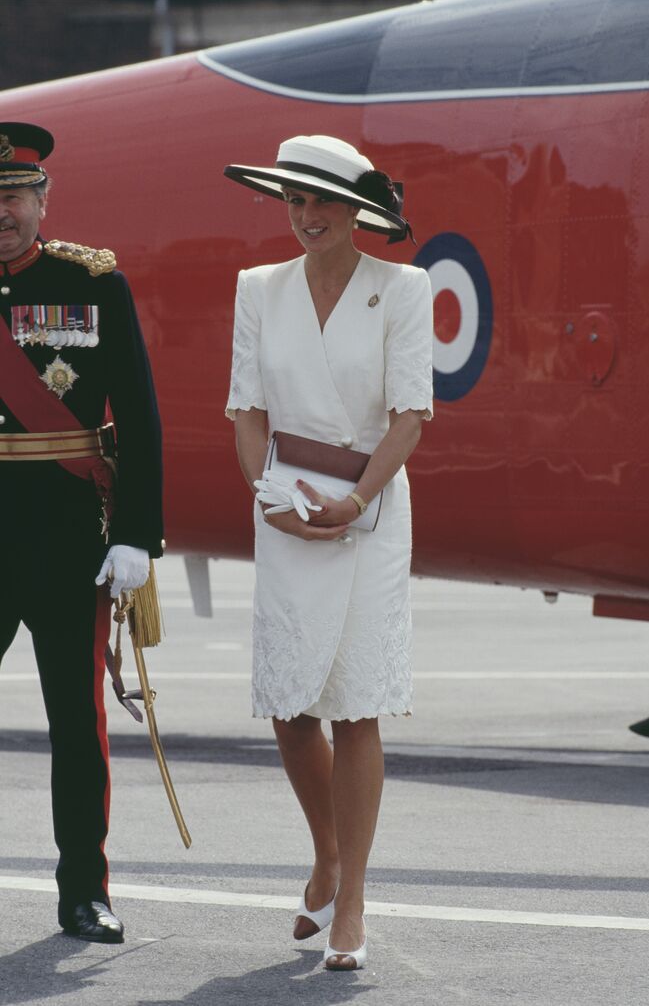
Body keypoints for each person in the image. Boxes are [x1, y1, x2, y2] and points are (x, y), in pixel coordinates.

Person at [224, 135, 434, 970]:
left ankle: (351, 901)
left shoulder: (403, 287)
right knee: (289, 702)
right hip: (283, 507)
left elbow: (410, 415)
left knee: (354, 704)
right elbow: (246, 408)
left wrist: (355, 498)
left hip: (369, 512)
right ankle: (327, 850)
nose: (308, 218)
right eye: (295, 201)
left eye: (325, 203)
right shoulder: (257, 288)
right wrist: (268, 495)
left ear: (358, 211)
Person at [0, 122, 163, 943]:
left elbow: (136, 411)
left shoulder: (92, 282)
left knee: (76, 718)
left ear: (40, 199)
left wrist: (136, 533)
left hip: (68, 531)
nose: (1, 211)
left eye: (11, 195)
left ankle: (84, 889)